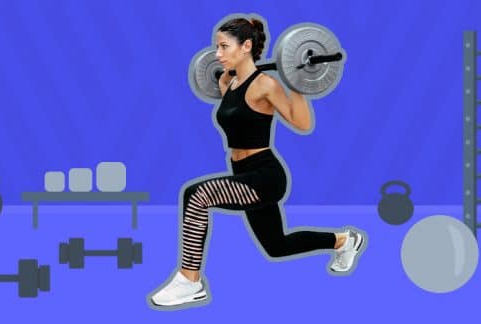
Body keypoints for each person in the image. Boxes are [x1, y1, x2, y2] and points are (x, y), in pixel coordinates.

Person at [149, 16, 366, 308]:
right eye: (217, 47)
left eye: (224, 47)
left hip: (265, 176)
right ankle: (344, 240)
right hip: (242, 173)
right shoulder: (230, 82)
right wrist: (225, 78)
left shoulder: (266, 85)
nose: (217, 54)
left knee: (196, 195)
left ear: (246, 46)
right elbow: (227, 97)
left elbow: (302, 124)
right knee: (277, 246)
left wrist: (298, 81)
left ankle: (190, 280)